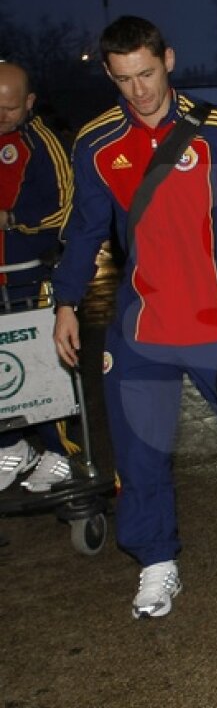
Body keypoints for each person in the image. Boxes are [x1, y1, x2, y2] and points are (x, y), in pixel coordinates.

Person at [52, 16, 217, 619]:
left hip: (216, 318)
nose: (139, 90)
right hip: (142, 324)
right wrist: (66, 303)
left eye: (147, 73)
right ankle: (155, 562)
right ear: (109, 74)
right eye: (124, 79)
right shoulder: (96, 143)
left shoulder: (216, 129)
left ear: (168, 60)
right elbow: (84, 231)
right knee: (139, 447)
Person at [0, 61, 75, 493]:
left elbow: (65, 208)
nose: (1, 115)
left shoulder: (43, 143)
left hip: (30, 276)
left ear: (29, 102)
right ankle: (11, 445)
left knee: (41, 364)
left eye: (9, 108)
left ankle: (60, 451)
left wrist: (13, 219)